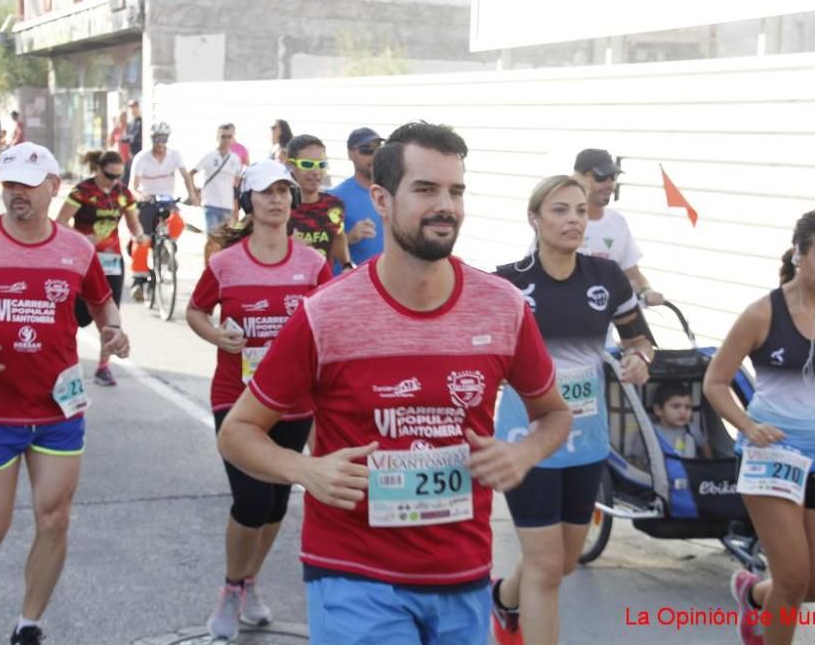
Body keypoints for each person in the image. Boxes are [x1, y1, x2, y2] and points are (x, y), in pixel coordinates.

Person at [218, 122, 573, 643]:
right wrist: (304, 469)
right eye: (426, 189)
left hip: (463, 572)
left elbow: (556, 414)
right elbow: (239, 430)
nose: (446, 205)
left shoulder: (502, 307)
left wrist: (523, 454)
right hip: (352, 573)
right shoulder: (327, 314)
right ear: (381, 200)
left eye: (456, 191)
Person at [0, 142, 130, 645]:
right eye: (10, 184)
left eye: (29, 186)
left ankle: (28, 625)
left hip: (58, 407)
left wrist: (114, 331)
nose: (18, 195)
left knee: (54, 518)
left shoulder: (77, 249)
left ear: (54, 187)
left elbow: (103, 304)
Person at [490, 175, 653, 645]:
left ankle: (504, 599)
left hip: (587, 440)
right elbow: (484, 355)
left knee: (561, 562)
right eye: (560, 210)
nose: (573, 220)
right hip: (526, 443)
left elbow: (639, 340)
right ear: (535, 219)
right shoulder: (508, 283)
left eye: (580, 210)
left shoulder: (607, 277)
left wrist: (639, 360)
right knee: (545, 569)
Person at [187, 160, 332, 641]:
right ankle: (230, 589)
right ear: (248, 202)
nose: (277, 201)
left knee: (275, 506)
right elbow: (195, 311)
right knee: (250, 500)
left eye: (284, 192)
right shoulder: (226, 263)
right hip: (238, 398)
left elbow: (329, 322)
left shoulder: (312, 263)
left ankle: (249, 583)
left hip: (294, 402)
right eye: (266, 193)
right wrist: (215, 336)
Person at [704, 208, 815, 645]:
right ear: (799, 253)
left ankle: (754, 596)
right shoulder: (762, 314)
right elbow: (715, 383)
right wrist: (748, 425)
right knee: (792, 579)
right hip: (770, 460)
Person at [57, 150, 145, 386]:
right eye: (109, 175)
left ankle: (103, 367)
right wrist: (84, 239)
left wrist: (141, 235)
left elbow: (133, 223)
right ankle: (65, 362)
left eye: (119, 176)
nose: (114, 181)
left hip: (111, 262)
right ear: (98, 169)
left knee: (110, 314)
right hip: (83, 261)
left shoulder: (123, 193)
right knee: (73, 316)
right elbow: (61, 222)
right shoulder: (82, 191)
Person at [573, 149, 664, 306]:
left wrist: (646, 290)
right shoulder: (561, 221)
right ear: (578, 178)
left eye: (613, 177)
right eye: (601, 177)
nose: (610, 184)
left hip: (605, 328)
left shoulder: (618, 222)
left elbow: (632, 273)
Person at [127, 121, 198, 300]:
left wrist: (192, 194)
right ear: (152, 139)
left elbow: (185, 176)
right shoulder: (141, 158)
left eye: (163, 139)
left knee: (178, 222)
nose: (160, 143)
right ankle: (139, 280)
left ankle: (168, 248)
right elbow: (133, 186)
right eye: (157, 139)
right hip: (147, 201)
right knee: (142, 240)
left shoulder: (175, 155)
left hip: (166, 200)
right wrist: (140, 195)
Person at [285, 134, 351, 270]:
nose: (316, 171)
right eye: (307, 164)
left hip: (324, 286)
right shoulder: (279, 207)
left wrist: (347, 265)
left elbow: (339, 235)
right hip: (287, 285)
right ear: (291, 165)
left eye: (322, 165)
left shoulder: (334, 205)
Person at [328, 127, 384, 266]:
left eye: (379, 149)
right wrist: (349, 237)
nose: (374, 155)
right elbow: (322, 255)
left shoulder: (393, 191)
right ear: (350, 154)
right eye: (367, 150)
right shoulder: (334, 198)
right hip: (352, 283)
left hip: (389, 282)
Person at [191, 123, 244, 266]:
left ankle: (219, 269)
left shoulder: (235, 159)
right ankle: (206, 269)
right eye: (223, 136)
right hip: (211, 204)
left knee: (225, 242)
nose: (226, 140)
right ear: (217, 137)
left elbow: (236, 186)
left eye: (229, 136)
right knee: (212, 239)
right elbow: (191, 173)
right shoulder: (209, 156)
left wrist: (236, 208)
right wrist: (194, 194)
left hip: (227, 206)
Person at [626, 383, 712, 467]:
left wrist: (710, 465)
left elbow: (704, 446)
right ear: (658, 410)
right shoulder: (649, 432)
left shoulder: (692, 430)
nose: (683, 412)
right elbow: (638, 459)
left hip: (689, 473)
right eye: (676, 406)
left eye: (688, 407)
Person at [121, 99, 142, 184]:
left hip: (139, 153)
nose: (132, 109)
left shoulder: (140, 122)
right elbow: (126, 136)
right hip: (131, 154)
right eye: (130, 107)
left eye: (134, 107)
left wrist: (127, 138)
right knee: (126, 178)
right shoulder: (130, 123)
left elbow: (136, 137)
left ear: (137, 108)